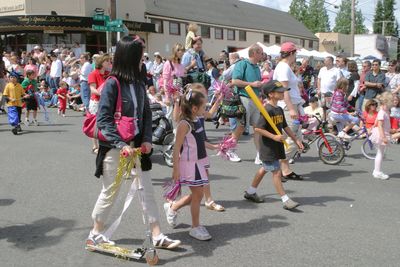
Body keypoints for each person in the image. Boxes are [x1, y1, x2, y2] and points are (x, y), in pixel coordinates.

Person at [87, 35, 181, 250]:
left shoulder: (138, 83)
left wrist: (147, 139)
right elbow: (103, 120)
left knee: (146, 189)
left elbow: (147, 114)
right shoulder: (113, 83)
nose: (143, 60)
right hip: (114, 148)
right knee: (111, 191)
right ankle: (95, 233)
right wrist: (121, 145)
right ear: (130, 57)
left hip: (138, 147)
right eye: (140, 56)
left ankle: (157, 234)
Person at [164, 89, 219, 240]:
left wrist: (215, 147)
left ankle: (173, 207)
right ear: (194, 108)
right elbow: (176, 148)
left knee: (198, 194)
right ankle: (194, 227)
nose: (205, 110)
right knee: (198, 194)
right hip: (189, 164)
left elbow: (199, 141)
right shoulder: (184, 124)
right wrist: (176, 169)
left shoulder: (196, 119)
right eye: (203, 107)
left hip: (198, 162)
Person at [244, 80, 303, 208]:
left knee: (264, 169)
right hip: (268, 146)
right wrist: (274, 136)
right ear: (271, 94)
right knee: (276, 172)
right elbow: (258, 129)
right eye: (280, 92)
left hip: (276, 145)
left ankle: (250, 192)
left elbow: (285, 127)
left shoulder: (279, 109)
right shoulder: (267, 110)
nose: (283, 93)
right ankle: (285, 199)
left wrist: (296, 140)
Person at [273, 42, 305, 181]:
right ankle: (277, 168)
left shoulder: (285, 67)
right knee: (292, 140)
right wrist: (291, 108)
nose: (296, 55)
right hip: (288, 107)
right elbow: (283, 90)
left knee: (294, 138)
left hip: (292, 105)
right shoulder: (284, 67)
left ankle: (284, 170)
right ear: (291, 53)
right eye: (295, 53)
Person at [230, 44, 264, 163]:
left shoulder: (257, 67)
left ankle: (259, 154)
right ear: (254, 53)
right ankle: (230, 150)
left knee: (258, 128)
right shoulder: (242, 64)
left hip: (255, 100)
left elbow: (256, 84)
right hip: (244, 98)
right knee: (241, 126)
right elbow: (235, 81)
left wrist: (260, 89)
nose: (262, 55)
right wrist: (253, 84)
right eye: (261, 53)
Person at [369, 92, 394, 180]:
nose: (393, 102)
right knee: (380, 154)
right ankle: (377, 171)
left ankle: (377, 171)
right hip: (381, 134)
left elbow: (377, 122)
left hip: (383, 133)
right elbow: (379, 125)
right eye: (392, 101)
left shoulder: (385, 111)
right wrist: (383, 137)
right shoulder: (382, 112)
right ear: (387, 102)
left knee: (380, 153)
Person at [161, 43, 185, 121]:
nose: (181, 52)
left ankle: (178, 131)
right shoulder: (168, 63)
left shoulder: (180, 65)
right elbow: (165, 81)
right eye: (179, 50)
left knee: (179, 115)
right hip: (170, 93)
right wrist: (167, 97)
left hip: (179, 93)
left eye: (182, 50)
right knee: (169, 115)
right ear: (175, 51)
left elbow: (181, 79)